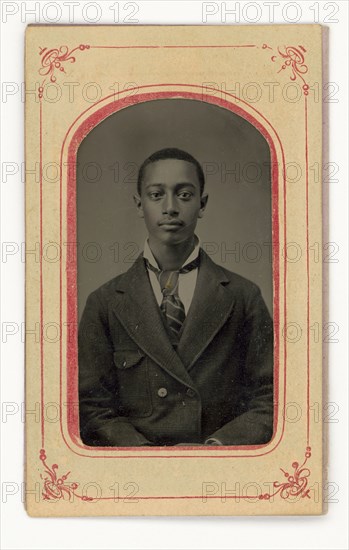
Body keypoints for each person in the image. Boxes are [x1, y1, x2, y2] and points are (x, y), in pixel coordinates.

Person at [78, 147, 274, 447]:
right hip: (136, 472)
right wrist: (149, 457)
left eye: (184, 195)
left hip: (221, 469)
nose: (170, 208)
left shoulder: (242, 296)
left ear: (202, 204)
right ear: (139, 203)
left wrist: (218, 447)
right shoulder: (104, 303)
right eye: (157, 195)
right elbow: (90, 406)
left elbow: (272, 397)